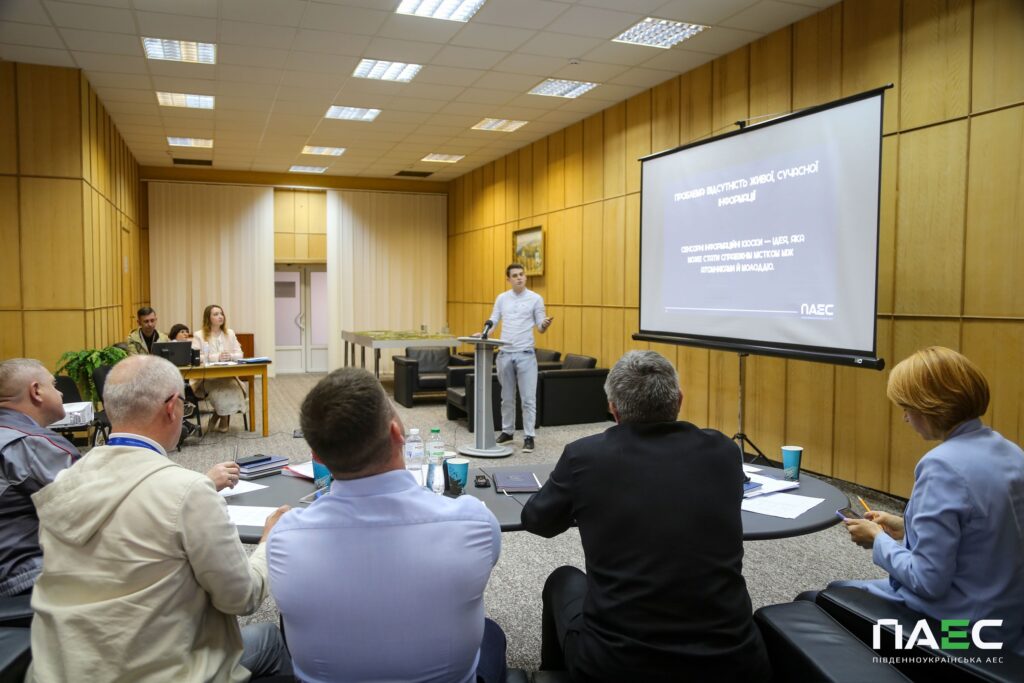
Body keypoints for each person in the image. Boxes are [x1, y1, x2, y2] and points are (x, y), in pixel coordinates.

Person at [27, 354, 290, 682]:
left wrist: (199, 486)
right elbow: (242, 597)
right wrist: (268, 542)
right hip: (161, 673)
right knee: (270, 638)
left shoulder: (65, 482)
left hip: (61, 670)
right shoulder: (187, 492)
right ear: (171, 408)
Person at [521, 350, 770, 682]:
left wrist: (587, 506)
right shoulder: (725, 451)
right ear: (679, 400)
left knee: (563, 580)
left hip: (618, 667)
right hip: (733, 664)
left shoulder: (585, 457)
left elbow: (537, 521)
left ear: (613, 409)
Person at [268, 367, 507, 683]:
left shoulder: (283, 540)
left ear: (317, 457)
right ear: (397, 433)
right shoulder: (474, 523)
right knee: (492, 633)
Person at [835, 346, 1024, 655]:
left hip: (962, 633)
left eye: (907, 407)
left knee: (826, 598)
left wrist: (879, 540)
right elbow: (984, 533)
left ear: (929, 406)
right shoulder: (1011, 452)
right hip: (1008, 625)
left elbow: (927, 582)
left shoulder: (942, 465)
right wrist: (905, 527)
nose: (905, 417)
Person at [0, 359, 79, 597]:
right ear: (36, 391)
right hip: (23, 579)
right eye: (54, 385)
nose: (60, 392)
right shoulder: (32, 443)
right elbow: (91, 509)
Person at [487, 262, 553, 453]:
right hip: (505, 354)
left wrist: (544, 324)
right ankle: (507, 431)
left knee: (528, 399)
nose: (519, 278)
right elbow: (493, 320)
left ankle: (529, 436)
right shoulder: (502, 298)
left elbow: (540, 327)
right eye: (515, 275)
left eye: (521, 274)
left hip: (526, 354)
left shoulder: (535, 298)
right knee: (506, 398)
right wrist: (484, 333)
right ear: (508, 279)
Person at [191, 304, 245, 433]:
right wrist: (216, 357)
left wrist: (230, 356)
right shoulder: (199, 335)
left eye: (221, 314)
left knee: (236, 389)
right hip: (206, 378)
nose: (220, 316)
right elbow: (195, 357)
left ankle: (217, 415)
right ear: (208, 318)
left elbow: (240, 354)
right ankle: (224, 419)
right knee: (221, 391)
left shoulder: (230, 333)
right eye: (216, 314)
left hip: (228, 375)